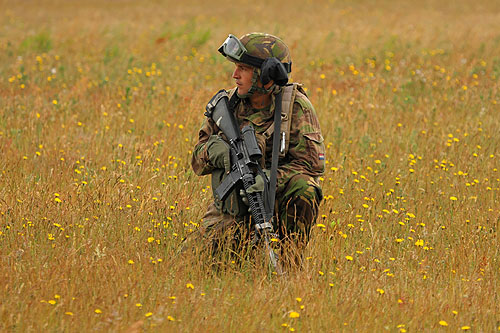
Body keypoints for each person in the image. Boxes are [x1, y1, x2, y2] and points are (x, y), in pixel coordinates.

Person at [190, 32, 325, 263]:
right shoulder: (226, 105)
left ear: (267, 75)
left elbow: (312, 166)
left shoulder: (295, 107)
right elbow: (197, 161)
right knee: (191, 263)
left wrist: (271, 179)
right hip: (232, 206)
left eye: (243, 68)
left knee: (306, 188)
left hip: (274, 200)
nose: (235, 75)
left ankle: (290, 261)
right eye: (235, 67)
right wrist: (213, 151)